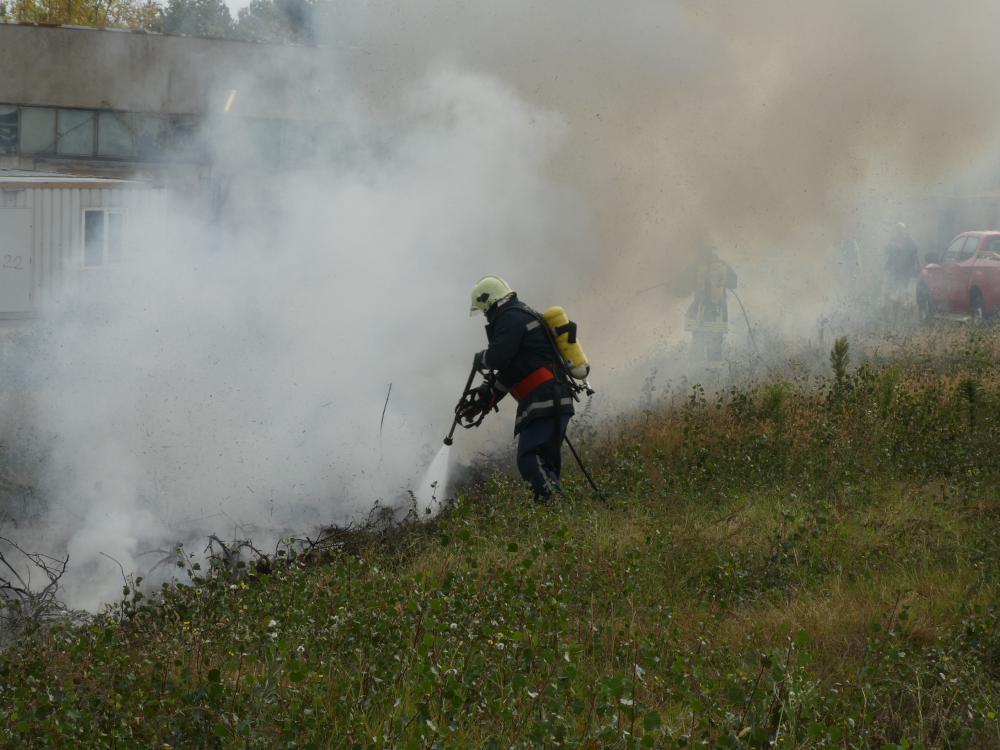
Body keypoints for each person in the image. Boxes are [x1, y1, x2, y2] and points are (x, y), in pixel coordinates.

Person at [460, 275, 575, 503]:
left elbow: (497, 357)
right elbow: (511, 372)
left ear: (491, 302)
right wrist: (486, 399)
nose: (486, 315)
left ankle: (557, 508)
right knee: (544, 461)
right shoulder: (522, 315)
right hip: (555, 398)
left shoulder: (510, 318)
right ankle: (551, 512)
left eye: (485, 310)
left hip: (545, 398)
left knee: (529, 457)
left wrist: (480, 358)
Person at [683, 249, 738, 362]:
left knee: (698, 348)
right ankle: (714, 377)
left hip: (699, 312)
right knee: (715, 349)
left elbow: (683, 287)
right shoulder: (723, 266)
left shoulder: (696, 266)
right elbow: (734, 283)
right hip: (718, 313)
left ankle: (698, 376)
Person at [883, 222, 920, 292]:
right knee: (892, 290)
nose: (899, 232)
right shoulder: (893, 241)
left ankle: (902, 300)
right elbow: (887, 251)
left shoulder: (910, 242)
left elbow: (915, 256)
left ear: (905, 231)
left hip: (906, 271)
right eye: (898, 231)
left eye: (901, 230)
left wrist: (917, 269)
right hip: (895, 270)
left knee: (903, 290)